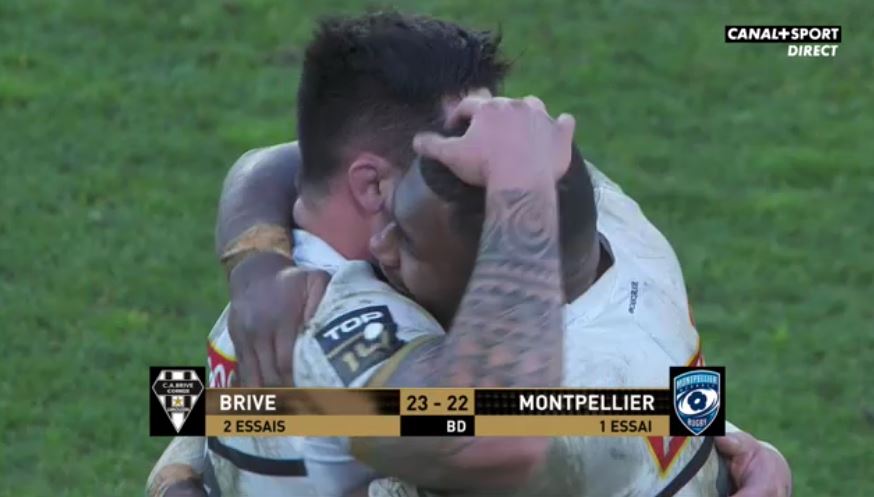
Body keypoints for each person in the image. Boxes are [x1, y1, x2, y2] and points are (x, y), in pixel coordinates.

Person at [147, 12, 791, 497]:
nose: (487, 136)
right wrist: (254, 256)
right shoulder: (611, 225)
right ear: (373, 183)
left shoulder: (351, 315)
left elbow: (520, 428)